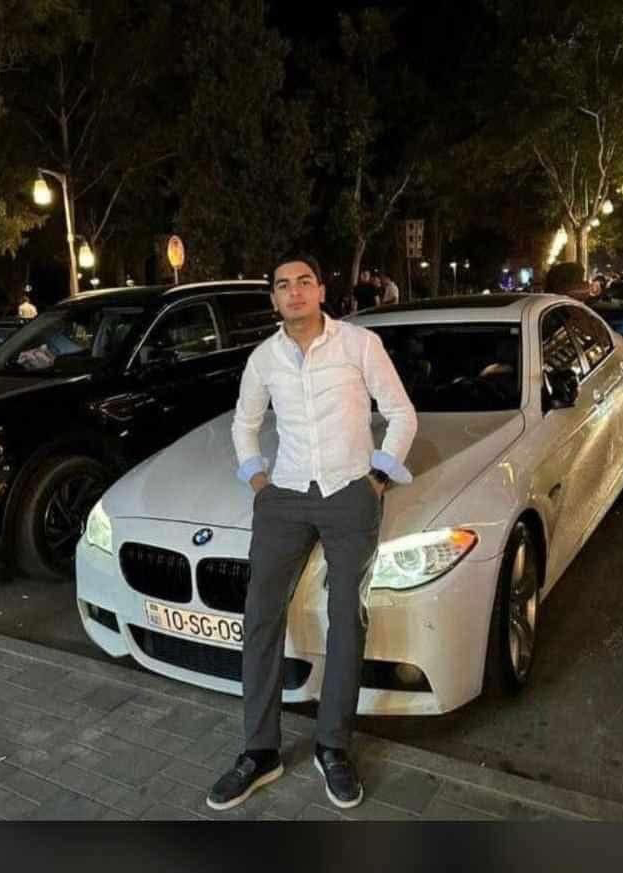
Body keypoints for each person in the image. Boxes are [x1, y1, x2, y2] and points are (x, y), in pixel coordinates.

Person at [207, 252, 418, 812]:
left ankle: (333, 746)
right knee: (260, 615)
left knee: (345, 616)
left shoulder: (359, 345)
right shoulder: (264, 358)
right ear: (274, 299)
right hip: (284, 496)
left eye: (305, 282)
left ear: (322, 291)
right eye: (283, 285)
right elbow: (244, 423)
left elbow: (401, 413)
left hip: (351, 492)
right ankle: (260, 751)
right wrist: (258, 480)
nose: (295, 292)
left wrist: (378, 477)